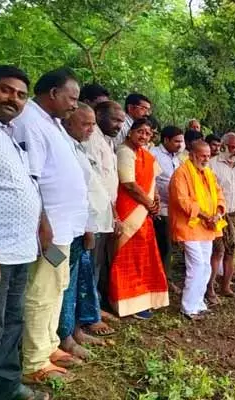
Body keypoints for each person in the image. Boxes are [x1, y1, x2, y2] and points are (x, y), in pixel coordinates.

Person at [13, 67, 88, 383]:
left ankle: (49, 345)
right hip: (49, 228)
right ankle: (34, 362)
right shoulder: (29, 122)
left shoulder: (52, 123)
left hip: (64, 228)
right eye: (71, 98)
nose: (74, 105)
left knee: (57, 285)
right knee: (41, 289)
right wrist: (42, 223)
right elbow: (29, 179)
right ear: (53, 93)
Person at [0, 65, 50, 400]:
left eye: (21, 95)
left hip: (20, 251)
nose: (14, 99)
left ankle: (9, 387)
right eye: (6, 90)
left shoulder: (7, 134)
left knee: (12, 326)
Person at [58, 104, 113, 362]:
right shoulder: (62, 144)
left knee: (79, 280)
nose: (91, 129)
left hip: (83, 228)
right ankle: (65, 337)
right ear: (68, 122)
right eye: (86, 124)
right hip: (67, 231)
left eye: (93, 124)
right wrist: (88, 227)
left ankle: (75, 330)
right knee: (62, 285)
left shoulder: (78, 146)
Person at [109, 118, 169, 319]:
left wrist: (156, 199)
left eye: (148, 133)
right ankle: (126, 303)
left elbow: (152, 181)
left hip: (144, 213)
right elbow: (129, 185)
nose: (143, 136)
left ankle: (143, 299)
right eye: (140, 132)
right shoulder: (124, 152)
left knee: (143, 257)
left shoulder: (146, 154)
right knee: (128, 258)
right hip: (130, 212)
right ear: (130, 132)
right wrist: (149, 203)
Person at [169, 141, 226, 318]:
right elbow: (183, 201)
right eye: (203, 155)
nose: (206, 159)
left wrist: (217, 213)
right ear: (192, 155)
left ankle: (198, 302)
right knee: (197, 265)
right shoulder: (181, 173)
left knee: (206, 265)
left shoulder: (208, 173)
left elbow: (219, 195)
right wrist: (204, 216)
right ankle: (187, 307)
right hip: (190, 227)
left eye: (208, 156)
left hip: (208, 227)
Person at [84, 100, 124, 332]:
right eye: (115, 119)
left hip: (105, 213)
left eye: (121, 121)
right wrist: (115, 214)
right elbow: (93, 182)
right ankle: (89, 318)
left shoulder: (107, 141)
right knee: (90, 266)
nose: (119, 125)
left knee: (98, 265)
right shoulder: (91, 140)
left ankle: (95, 308)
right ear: (99, 114)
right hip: (94, 215)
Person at [207, 132, 235, 300]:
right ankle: (210, 288)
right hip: (218, 215)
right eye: (232, 147)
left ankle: (226, 287)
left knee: (232, 251)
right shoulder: (212, 165)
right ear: (223, 146)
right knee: (218, 251)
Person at [149, 126, 184, 293]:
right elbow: (150, 179)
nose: (180, 144)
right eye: (177, 141)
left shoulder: (176, 158)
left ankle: (163, 278)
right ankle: (163, 280)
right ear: (166, 140)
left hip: (173, 208)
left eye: (181, 141)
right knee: (164, 245)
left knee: (168, 244)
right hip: (158, 208)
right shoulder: (154, 153)